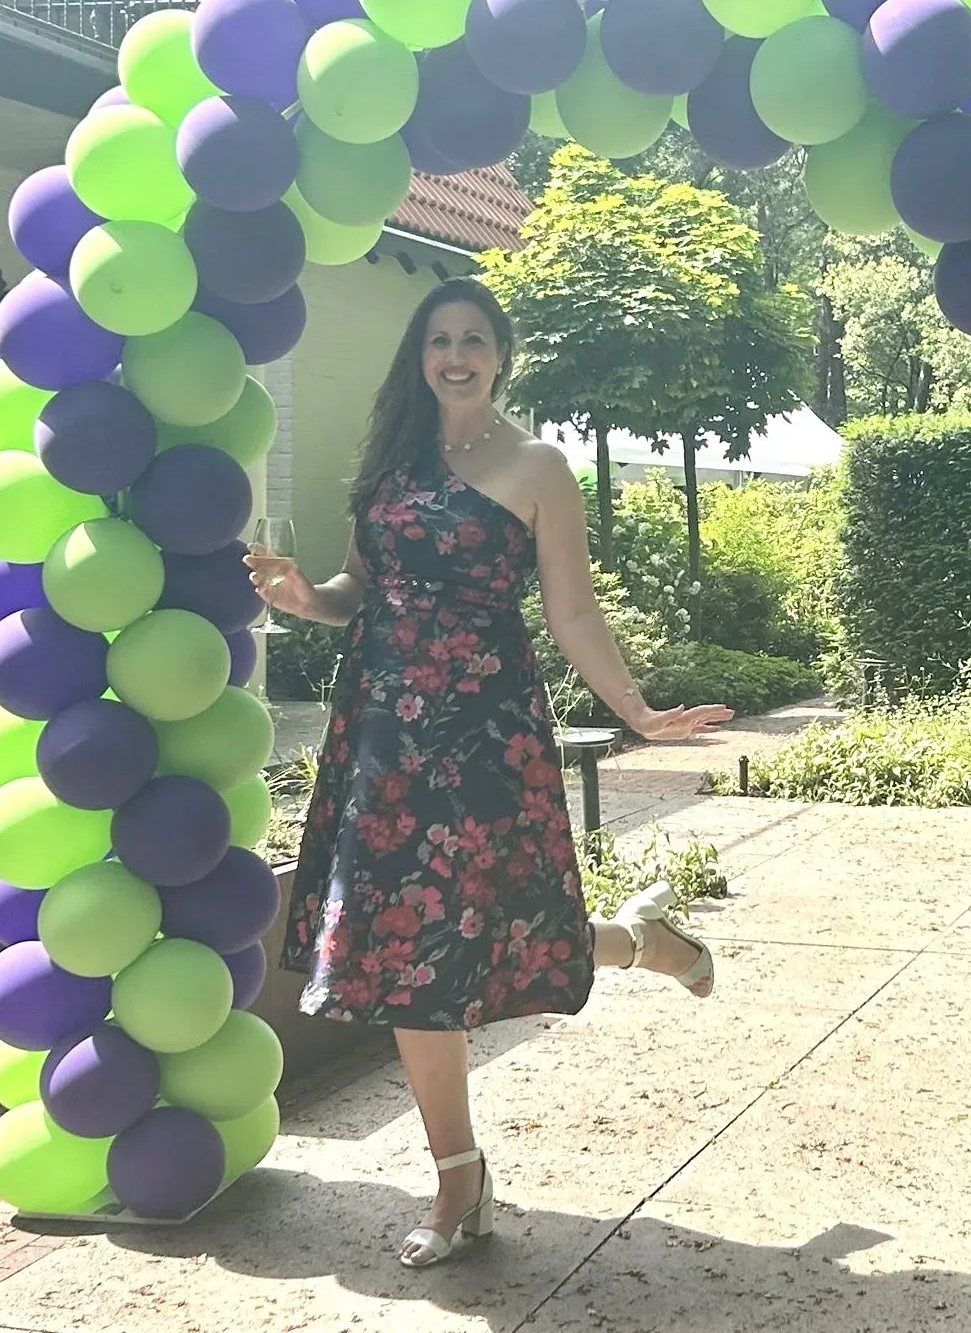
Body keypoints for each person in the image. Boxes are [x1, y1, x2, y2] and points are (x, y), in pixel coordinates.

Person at [246, 277, 732, 1270]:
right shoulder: (388, 457)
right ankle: (461, 1176)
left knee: (490, 935)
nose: (455, 355)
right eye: (438, 340)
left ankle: (636, 946)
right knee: (410, 953)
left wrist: (635, 709)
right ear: (419, 358)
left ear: (501, 355)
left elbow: (574, 612)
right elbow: (355, 592)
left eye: (474, 339)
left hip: (480, 733)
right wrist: (305, 598)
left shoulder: (537, 465)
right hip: (380, 729)